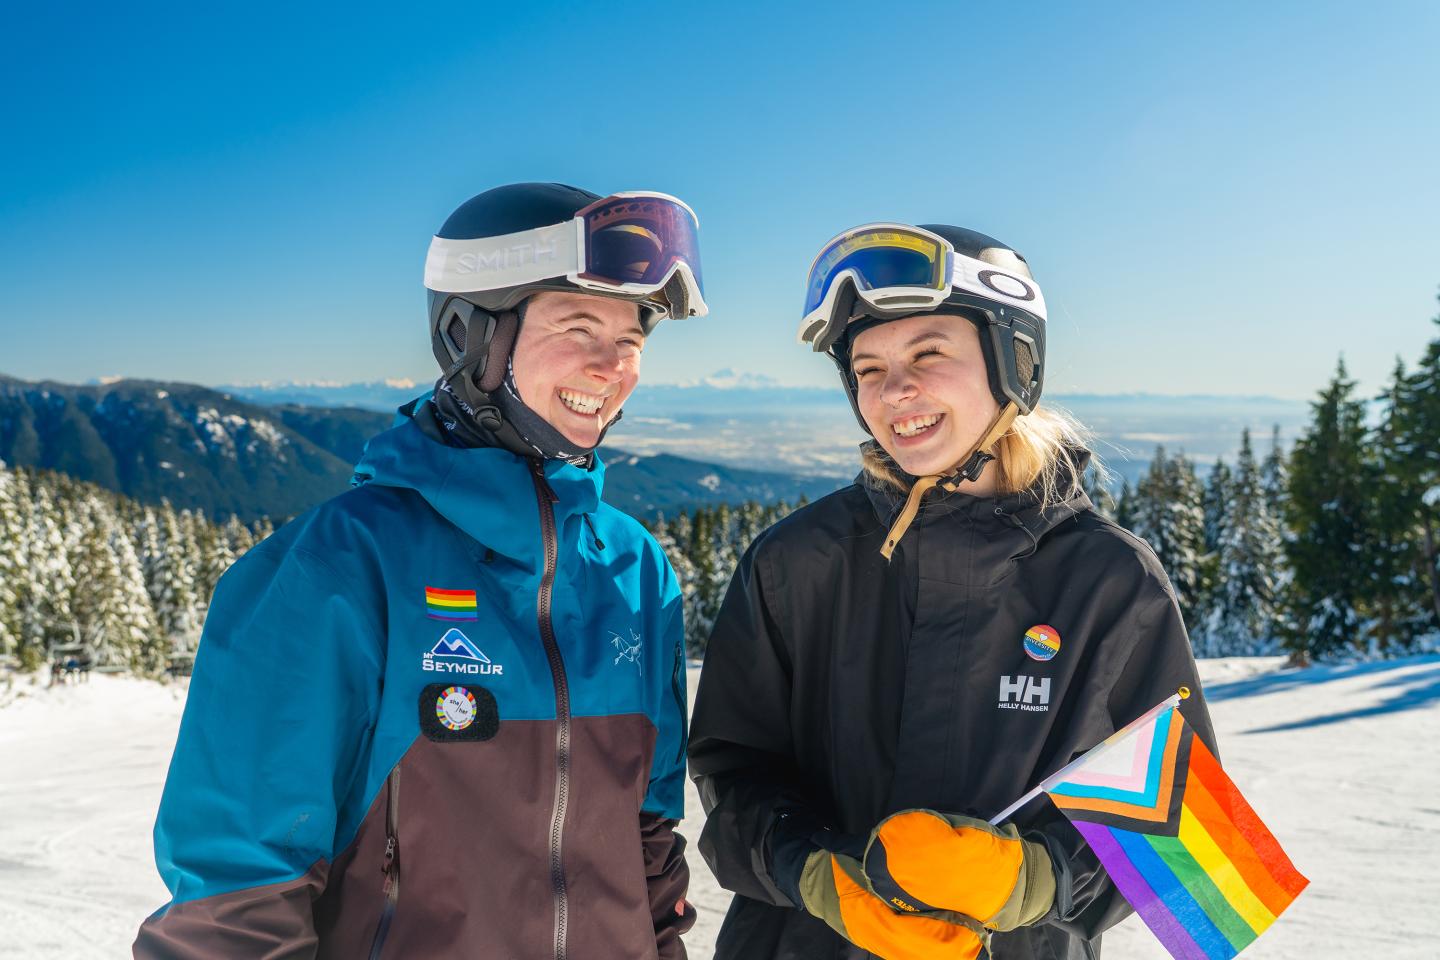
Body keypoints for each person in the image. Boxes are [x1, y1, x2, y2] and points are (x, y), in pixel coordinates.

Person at [135, 183, 706, 959]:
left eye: (633, 340)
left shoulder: (635, 573)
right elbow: (237, 894)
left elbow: (648, 845)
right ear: (470, 335)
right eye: (579, 327)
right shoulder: (340, 566)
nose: (614, 367)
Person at [689, 223, 1217, 960]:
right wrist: (813, 872)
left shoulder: (1108, 582)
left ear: (1012, 362)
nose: (894, 390)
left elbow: (1186, 836)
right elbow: (733, 771)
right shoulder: (798, 563)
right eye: (867, 368)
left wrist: (1032, 880)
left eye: (928, 353)